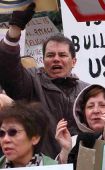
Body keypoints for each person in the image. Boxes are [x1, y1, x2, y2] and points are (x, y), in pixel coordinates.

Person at [0, 3, 89, 158]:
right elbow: (9, 70)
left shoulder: (87, 92)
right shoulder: (31, 82)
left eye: (62, 55)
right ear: (43, 59)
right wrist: (14, 30)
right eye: (50, 55)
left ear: (73, 61)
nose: (56, 59)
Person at [55, 84, 105, 165]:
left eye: (103, 105)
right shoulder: (73, 142)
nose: (96, 110)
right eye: (90, 106)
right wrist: (66, 151)